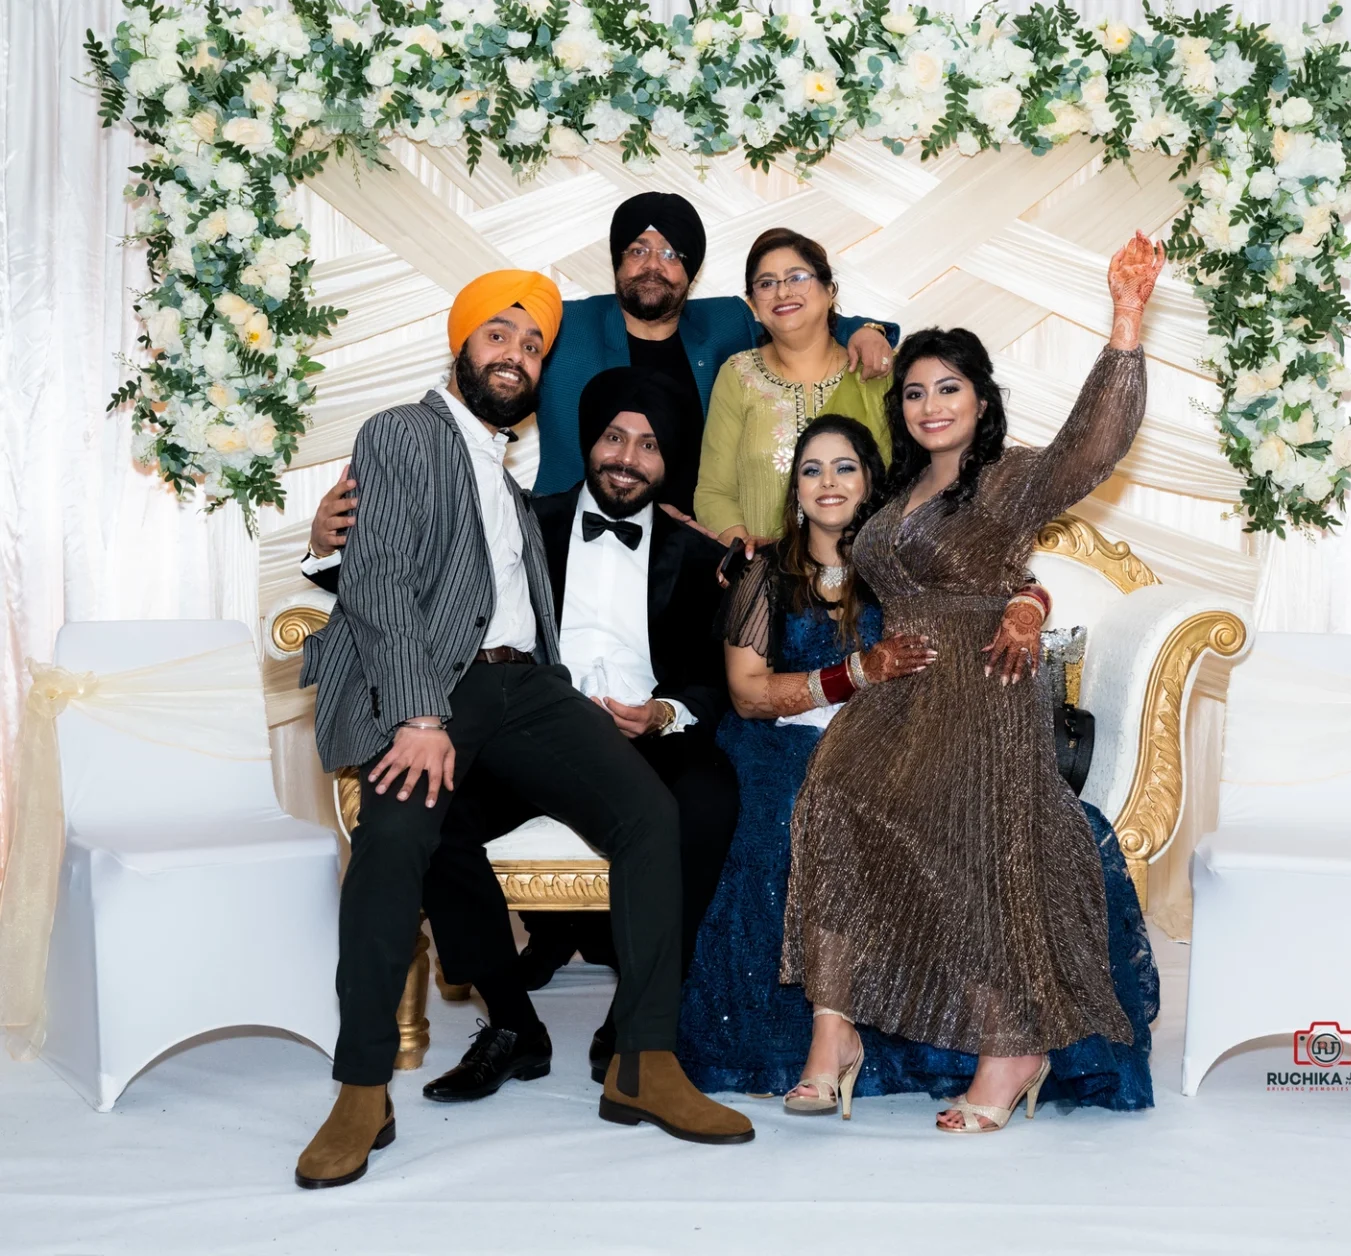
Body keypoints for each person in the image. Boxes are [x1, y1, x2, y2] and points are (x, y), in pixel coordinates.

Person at [294, 269, 752, 1190]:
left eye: (532, 344)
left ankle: (643, 1063)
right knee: (396, 837)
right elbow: (379, 580)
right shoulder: (402, 432)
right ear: (460, 345)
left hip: (529, 688)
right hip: (439, 688)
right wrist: (421, 715)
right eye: (498, 336)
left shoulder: (505, 481)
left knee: (650, 815)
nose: (515, 354)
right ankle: (360, 1087)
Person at [783, 231, 1166, 1133]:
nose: (928, 404)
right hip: (900, 693)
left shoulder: (1009, 479)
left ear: (982, 398)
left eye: (947, 387)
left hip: (986, 686)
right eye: (914, 392)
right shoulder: (898, 490)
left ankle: (1012, 1046)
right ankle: (834, 1033)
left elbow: (1094, 444)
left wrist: (1126, 321)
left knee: (973, 835)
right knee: (829, 801)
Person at [681, 418, 1158, 1114]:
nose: (828, 483)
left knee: (983, 823)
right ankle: (827, 1033)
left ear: (874, 483)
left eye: (846, 468)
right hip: (787, 737)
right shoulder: (767, 574)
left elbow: (1006, 582)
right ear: (794, 491)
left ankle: (987, 1039)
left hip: (911, 737)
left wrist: (1028, 605)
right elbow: (750, 696)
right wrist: (854, 673)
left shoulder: (900, 557)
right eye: (811, 470)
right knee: (794, 811)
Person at [437, 367, 740, 1086]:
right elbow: (428, 577)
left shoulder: (701, 557)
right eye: (614, 438)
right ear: (589, 442)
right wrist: (329, 546)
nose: (628, 458)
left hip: (649, 743)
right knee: (429, 804)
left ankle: (630, 1026)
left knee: (712, 801)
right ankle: (511, 1023)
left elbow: (716, 678)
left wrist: (665, 712)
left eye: (648, 446)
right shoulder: (521, 525)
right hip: (529, 734)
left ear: (668, 464)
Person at [305, 194, 898, 560]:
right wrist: (370, 487)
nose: (653, 263)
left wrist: (864, 330)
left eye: (671, 253)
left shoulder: (725, 325)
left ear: (690, 272)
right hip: (571, 539)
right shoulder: (568, 324)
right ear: (617, 261)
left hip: (699, 551)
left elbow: (799, 320)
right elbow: (479, 379)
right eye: (637, 249)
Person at [694, 228, 894, 547]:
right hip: (763, 583)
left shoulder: (870, 371)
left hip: (862, 580)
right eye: (766, 284)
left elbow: (901, 486)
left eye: (797, 277)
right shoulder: (738, 374)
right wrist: (747, 556)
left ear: (830, 290)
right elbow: (714, 492)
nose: (783, 293)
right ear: (753, 305)